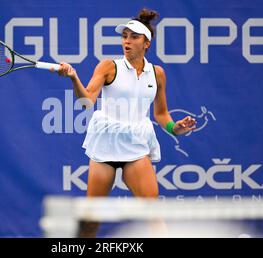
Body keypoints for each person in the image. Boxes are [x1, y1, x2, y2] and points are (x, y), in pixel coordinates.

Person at [55, 8, 196, 237]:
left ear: (146, 43)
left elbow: (161, 114)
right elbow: (87, 101)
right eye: (124, 37)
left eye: (133, 37)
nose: (127, 42)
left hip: (136, 146)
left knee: (153, 215)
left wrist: (175, 128)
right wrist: (73, 78)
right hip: (105, 147)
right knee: (91, 221)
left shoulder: (157, 73)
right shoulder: (109, 66)